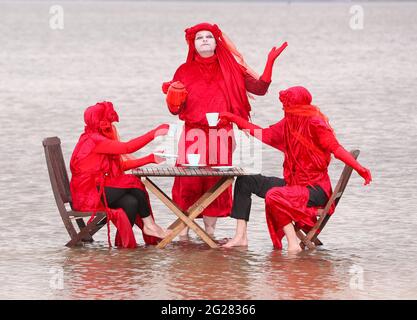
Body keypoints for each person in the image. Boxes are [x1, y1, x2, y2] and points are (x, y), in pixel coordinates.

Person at [162, 22, 287, 237]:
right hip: (193, 132)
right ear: (193, 44)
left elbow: (260, 88)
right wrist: (172, 96)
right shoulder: (184, 70)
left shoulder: (231, 68)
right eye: (199, 37)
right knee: (187, 182)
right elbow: (175, 110)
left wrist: (270, 63)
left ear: (216, 42)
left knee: (215, 183)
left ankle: (209, 232)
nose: (204, 40)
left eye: (208, 37)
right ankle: (184, 231)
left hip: (222, 134)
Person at [219, 86, 372, 252]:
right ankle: (240, 237)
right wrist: (233, 118)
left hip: (315, 190)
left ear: (298, 106)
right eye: (284, 106)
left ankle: (293, 244)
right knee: (246, 180)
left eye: (287, 105)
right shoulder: (288, 123)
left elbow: (336, 148)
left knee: (274, 195)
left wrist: (359, 168)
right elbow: (264, 134)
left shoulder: (316, 123)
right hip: (294, 184)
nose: (284, 109)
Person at [70, 101, 171, 248]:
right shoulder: (95, 141)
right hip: (89, 195)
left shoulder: (93, 138)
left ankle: (123, 249)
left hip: (94, 189)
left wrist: (150, 159)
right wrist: (153, 133)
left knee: (131, 202)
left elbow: (120, 166)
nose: (112, 126)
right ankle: (149, 225)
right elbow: (127, 147)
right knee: (133, 182)